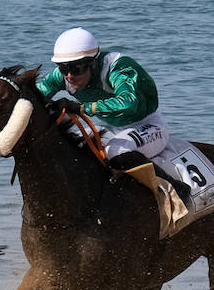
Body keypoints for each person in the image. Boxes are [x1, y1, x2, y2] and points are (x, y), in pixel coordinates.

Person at [34, 27, 191, 202]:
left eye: (76, 69)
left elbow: (129, 101)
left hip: (149, 125)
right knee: (69, 145)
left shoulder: (118, 67)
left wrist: (82, 108)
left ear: (92, 63)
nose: (69, 76)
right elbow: (34, 97)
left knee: (115, 150)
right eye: (64, 69)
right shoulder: (62, 76)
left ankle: (175, 188)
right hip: (114, 129)